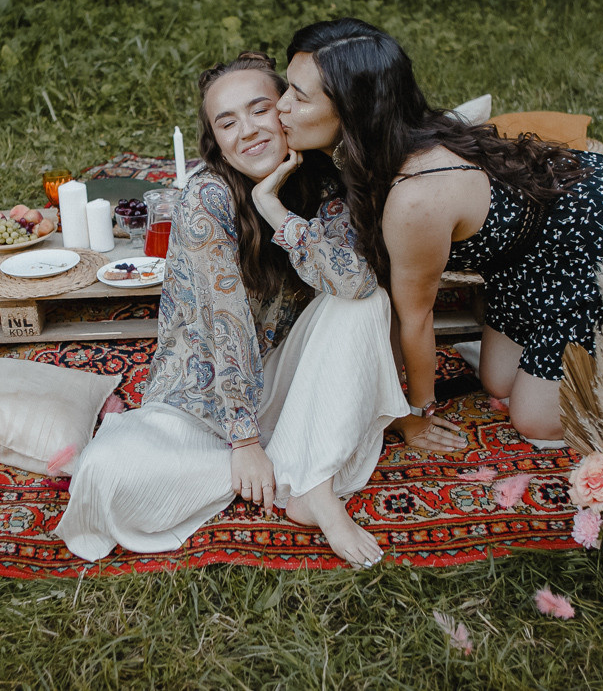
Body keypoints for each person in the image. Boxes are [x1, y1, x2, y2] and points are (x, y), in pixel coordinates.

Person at [56, 52, 461, 569]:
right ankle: (289, 459)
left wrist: (276, 210)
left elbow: (355, 282)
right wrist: (244, 440)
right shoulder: (206, 198)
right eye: (227, 122)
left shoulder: (325, 183)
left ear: (287, 111)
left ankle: (310, 484)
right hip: (203, 402)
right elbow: (227, 326)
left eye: (259, 109)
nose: (247, 131)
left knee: (365, 303)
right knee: (107, 475)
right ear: (215, 139)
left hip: (288, 377)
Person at [276, 18, 603, 444]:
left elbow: (415, 317)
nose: (281, 107)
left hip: (593, 234)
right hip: (526, 251)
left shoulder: (414, 198)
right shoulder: (387, 142)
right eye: (286, 86)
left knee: (535, 420)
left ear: (352, 110)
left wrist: (418, 411)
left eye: (299, 97)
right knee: (497, 382)